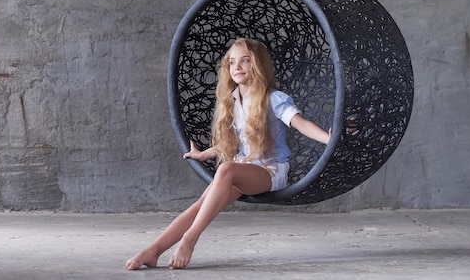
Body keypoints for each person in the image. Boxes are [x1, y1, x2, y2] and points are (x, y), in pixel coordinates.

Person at [125, 38, 332, 270]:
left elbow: (300, 124)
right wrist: (204, 154)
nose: (237, 67)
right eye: (232, 62)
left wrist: (329, 139)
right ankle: (153, 250)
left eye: (245, 61)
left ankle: (190, 239)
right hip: (241, 169)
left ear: (258, 65)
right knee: (202, 204)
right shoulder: (233, 100)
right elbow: (232, 144)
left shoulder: (273, 99)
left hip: (270, 171)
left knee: (226, 168)